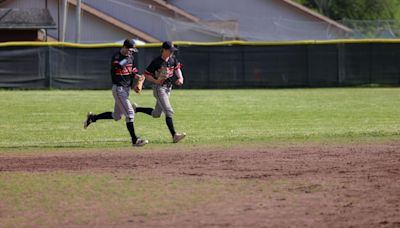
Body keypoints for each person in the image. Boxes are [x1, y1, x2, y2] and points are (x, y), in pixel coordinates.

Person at [83, 39, 148, 147]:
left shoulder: (130, 56)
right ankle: (135, 140)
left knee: (117, 116)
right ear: (124, 47)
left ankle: (93, 118)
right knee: (130, 114)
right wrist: (127, 59)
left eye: (132, 50)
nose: (131, 52)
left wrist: (138, 77)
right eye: (130, 50)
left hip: (126, 89)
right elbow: (118, 66)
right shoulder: (117, 57)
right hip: (119, 89)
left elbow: (133, 70)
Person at [135, 41, 186, 143]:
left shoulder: (172, 59)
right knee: (168, 111)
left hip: (168, 88)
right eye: (170, 51)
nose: (172, 53)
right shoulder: (156, 61)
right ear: (164, 50)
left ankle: (136, 109)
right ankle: (174, 135)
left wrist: (181, 77)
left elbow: (177, 68)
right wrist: (156, 81)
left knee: (156, 114)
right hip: (159, 88)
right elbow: (146, 74)